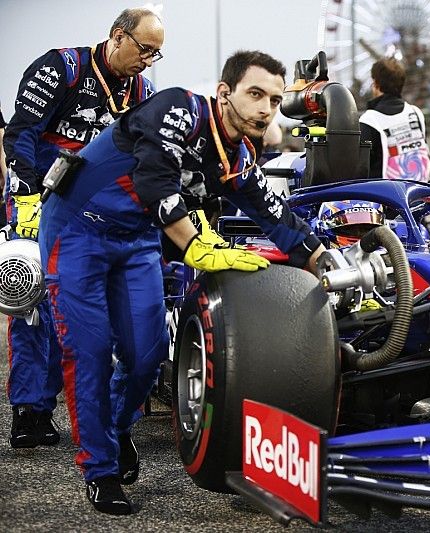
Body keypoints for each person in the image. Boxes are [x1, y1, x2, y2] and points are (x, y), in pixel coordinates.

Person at [38, 50, 325, 515]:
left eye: (274, 100)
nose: (265, 108)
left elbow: (275, 216)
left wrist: (324, 260)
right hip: (75, 232)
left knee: (148, 356)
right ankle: (101, 470)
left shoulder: (241, 153)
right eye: (255, 94)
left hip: (135, 241)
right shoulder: (178, 109)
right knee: (88, 354)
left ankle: (113, 427)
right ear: (224, 93)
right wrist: (195, 245)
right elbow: (155, 180)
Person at [3, 7, 162, 450]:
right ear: (117, 36)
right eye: (144, 49)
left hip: (99, 217)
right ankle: (29, 411)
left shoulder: (144, 90)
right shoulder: (62, 68)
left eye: (157, 54)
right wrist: (31, 195)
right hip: (44, 202)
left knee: (79, 313)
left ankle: (72, 409)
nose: (149, 60)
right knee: (34, 305)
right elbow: (21, 134)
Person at [359, 57, 430, 181]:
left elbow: (361, 169)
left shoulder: (369, 120)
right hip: (419, 192)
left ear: (376, 84)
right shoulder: (416, 113)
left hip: (387, 197)